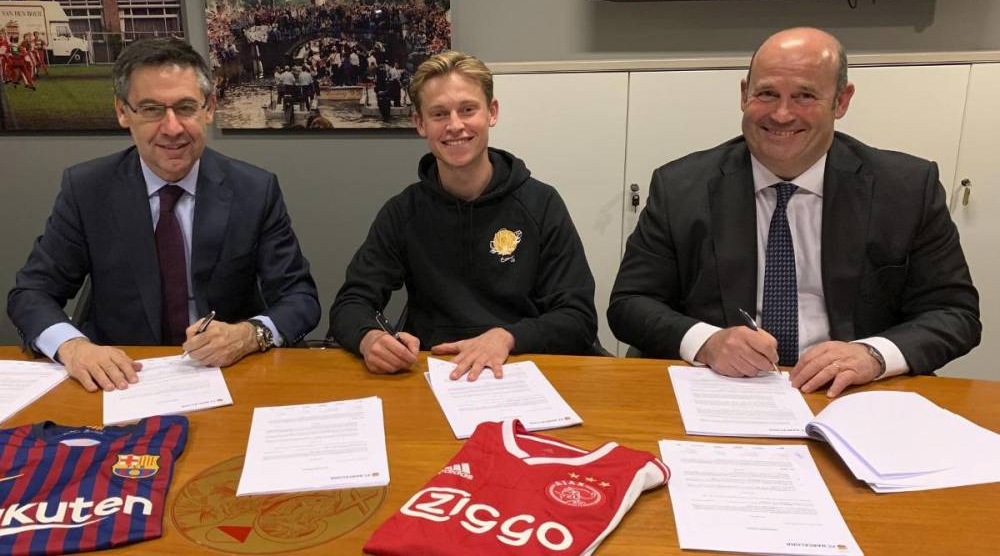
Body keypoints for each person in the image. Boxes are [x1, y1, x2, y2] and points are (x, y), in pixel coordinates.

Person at [608, 27, 980, 398]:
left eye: (805, 96)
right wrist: (706, 342)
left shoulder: (906, 188)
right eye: (767, 94)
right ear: (744, 95)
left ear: (841, 101)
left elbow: (954, 313)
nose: (782, 114)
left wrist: (873, 355)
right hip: (723, 388)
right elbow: (630, 304)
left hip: (853, 392)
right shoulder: (680, 186)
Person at [7, 37, 321, 392]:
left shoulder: (254, 189)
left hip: (229, 376)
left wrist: (250, 335)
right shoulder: (87, 189)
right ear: (123, 112)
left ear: (209, 108)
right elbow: (31, 293)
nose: (172, 128)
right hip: (122, 379)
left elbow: (300, 297)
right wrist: (73, 346)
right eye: (151, 109)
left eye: (185, 107)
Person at [329, 50, 597, 381]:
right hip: (436, 373)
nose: (455, 125)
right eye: (439, 114)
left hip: (521, 369)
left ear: (492, 112)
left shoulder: (541, 204)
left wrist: (508, 336)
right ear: (420, 123)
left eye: (468, 110)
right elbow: (351, 303)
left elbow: (578, 317)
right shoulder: (403, 212)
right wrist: (369, 338)